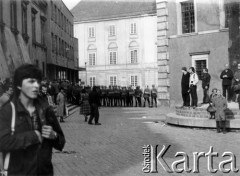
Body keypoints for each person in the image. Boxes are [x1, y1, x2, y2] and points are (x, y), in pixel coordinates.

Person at [0, 64, 65, 175]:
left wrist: (53, 135)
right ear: (19, 85)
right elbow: (3, 142)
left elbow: (61, 142)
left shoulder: (46, 109)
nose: (36, 86)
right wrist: (33, 136)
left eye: (38, 82)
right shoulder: (8, 111)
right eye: (31, 82)